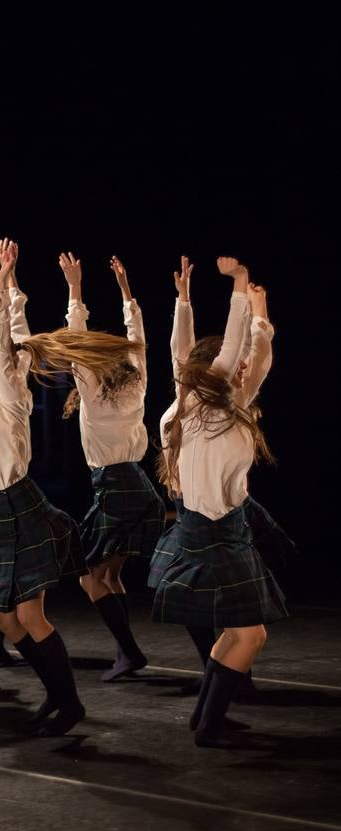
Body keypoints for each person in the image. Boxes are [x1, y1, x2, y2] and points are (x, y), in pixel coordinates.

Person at [0, 242, 141, 736]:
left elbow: (3, 344)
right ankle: (58, 696)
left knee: (28, 616)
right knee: (2, 620)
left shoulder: (10, 398)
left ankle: (67, 702)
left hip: (18, 509)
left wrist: (0, 283)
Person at [152, 257, 288, 748]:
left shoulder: (222, 405)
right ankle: (208, 726)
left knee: (240, 632)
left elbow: (258, 355)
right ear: (213, 372)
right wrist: (237, 286)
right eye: (232, 366)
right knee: (249, 635)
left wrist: (257, 307)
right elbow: (224, 349)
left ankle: (206, 718)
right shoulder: (198, 408)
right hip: (213, 528)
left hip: (220, 526)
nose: (243, 368)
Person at [60, 252, 165, 681]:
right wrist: (125, 291)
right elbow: (137, 334)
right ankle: (127, 653)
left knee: (89, 578)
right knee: (113, 576)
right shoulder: (137, 382)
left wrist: (75, 287)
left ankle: (129, 651)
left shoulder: (92, 390)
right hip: (140, 488)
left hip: (115, 487)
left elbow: (75, 335)